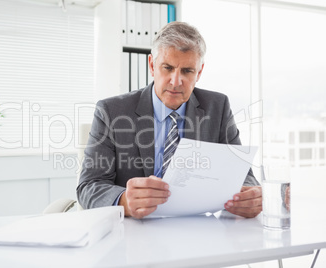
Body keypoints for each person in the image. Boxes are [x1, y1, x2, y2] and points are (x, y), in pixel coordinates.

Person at [77, 21, 262, 219]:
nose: (176, 81)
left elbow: (243, 174)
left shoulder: (218, 107)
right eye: (167, 68)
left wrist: (252, 195)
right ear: (151, 66)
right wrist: (123, 200)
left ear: (199, 72)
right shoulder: (111, 112)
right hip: (135, 233)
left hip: (196, 228)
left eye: (187, 71)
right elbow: (89, 186)